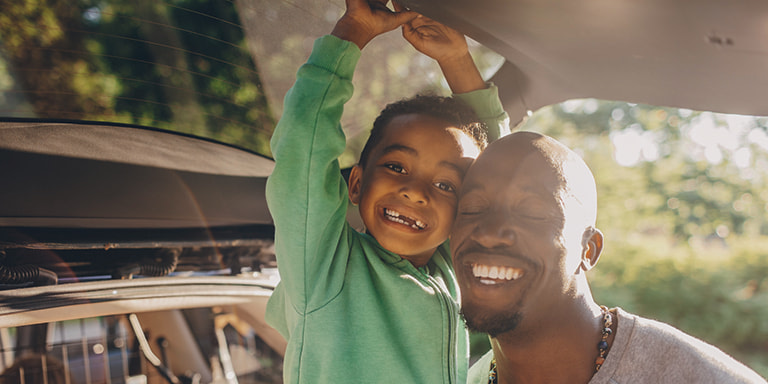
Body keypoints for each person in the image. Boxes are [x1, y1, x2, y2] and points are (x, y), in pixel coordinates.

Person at [264, 0, 509, 382]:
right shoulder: (326, 265)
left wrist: (458, 59)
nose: (415, 192)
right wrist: (355, 29)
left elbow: (500, 176)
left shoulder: (446, 268)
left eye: (446, 185)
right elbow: (302, 150)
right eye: (396, 167)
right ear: (357, 183)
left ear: (465, 210)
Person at [451, 131, 767, 384]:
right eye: (472, 208)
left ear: (588, 250)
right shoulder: (462, 378)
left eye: (532, 212)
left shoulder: (693, 376)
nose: (489, 232)